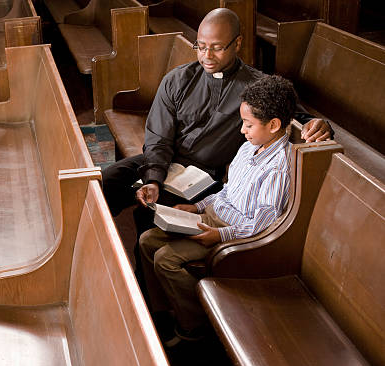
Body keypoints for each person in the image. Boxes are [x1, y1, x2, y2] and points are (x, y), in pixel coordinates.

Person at [101, 8, 332, 296]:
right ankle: (102, 258)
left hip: (205, 175)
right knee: (107, 180)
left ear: (237, 44)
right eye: (201, 46)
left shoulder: (255, 86)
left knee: (149, 215)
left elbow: (292, 115)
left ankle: (146, 292)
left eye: (217, 48)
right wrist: (153, 178)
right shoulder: (178, 80)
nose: (207, 56)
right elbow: (158, 138)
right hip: (167, 160)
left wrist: (317, 125)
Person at [140, 74, 297, 344]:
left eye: (248, 124)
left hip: (235, 234)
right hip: (212, 217)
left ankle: (198, 325)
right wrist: (196, 207)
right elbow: (227, 190)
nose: (242, 130)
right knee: (146, 239)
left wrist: (219, 236)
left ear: (273, 125)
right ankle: (163, 310)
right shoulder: (251, 148)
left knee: (166, 258)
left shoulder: (278, 167)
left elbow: (264, 225)